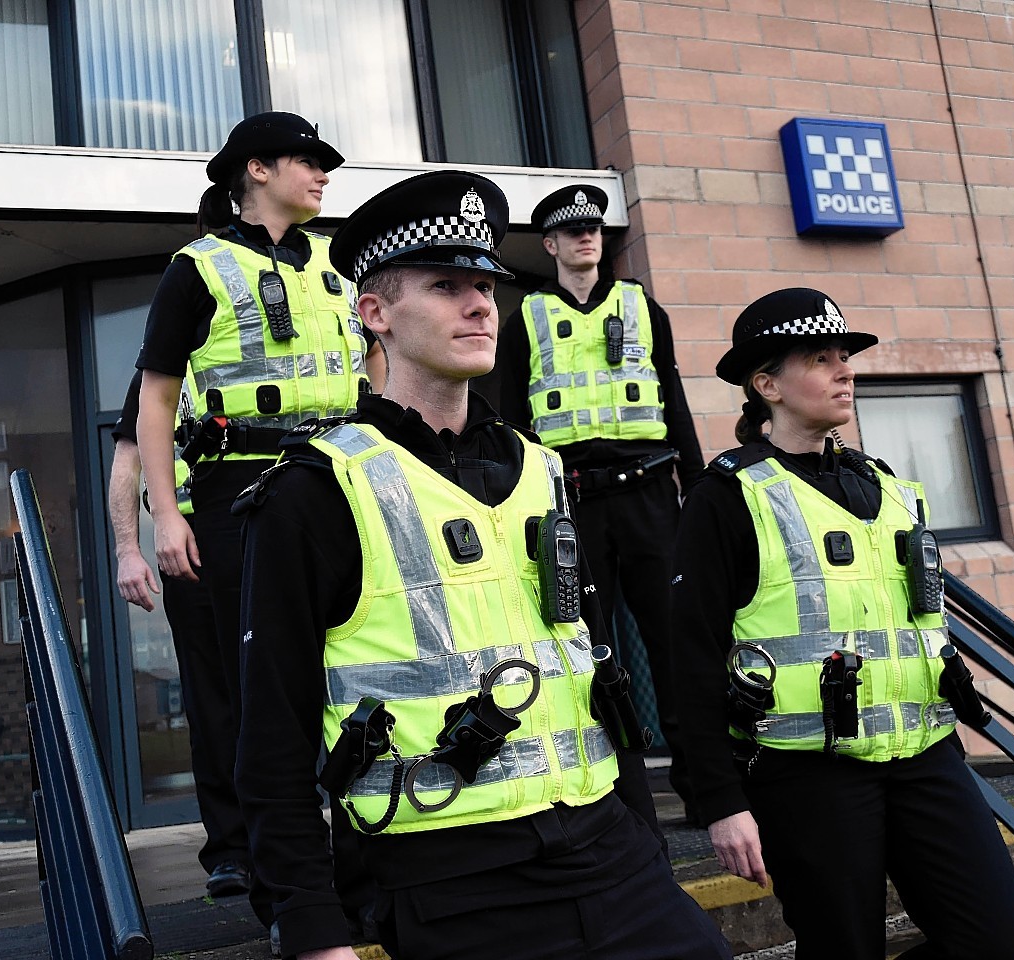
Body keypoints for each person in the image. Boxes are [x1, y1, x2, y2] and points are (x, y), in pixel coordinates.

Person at [235, 170, 733, 960]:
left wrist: (646, 838)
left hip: (610, 854)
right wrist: (309, 923)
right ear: (375, 313)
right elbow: (270, 731)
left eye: (485, 285)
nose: (478, 304)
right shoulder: (317, 491)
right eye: (445, 285)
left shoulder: (542, 470)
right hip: (449, 884)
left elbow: (598, 677)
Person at [672, 287, 1014, 960]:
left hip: (927, 756)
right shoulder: (726, 496)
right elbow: (688, 659)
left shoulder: (887, 484)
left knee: (1001, 943)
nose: (845, 371)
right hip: (809, 774)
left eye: (844, 356)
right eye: (820, 358)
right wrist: (720, 800)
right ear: (766, 384)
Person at [135, 111, 376, 919]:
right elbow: (156, 399)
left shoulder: (339, 276)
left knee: (346, 661)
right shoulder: (196, 268)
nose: (322, 174)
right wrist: (166, 519)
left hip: (332, 482)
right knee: (250, 681)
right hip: (235, 489)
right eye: (307, 161)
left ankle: (355, 834)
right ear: (257, 171)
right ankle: (263, 859)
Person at [496, 184, 704, 822]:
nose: (587, 238)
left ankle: (702, 787)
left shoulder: (646, 309)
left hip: (649, 495)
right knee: (586, 646)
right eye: (571, 232)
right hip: (573, 501)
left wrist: (697, 488)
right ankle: (620, 794)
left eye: (595, 229)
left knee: (675, 641)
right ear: (551, 245)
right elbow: (511, 416)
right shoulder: (524, 318)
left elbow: (672, 397)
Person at [108, 368, 244, 897]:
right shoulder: (161, 365)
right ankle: (232, 850)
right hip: (195, 551)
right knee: (212, 704)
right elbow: (128, 460)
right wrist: (127, 550)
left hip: (284, 531)